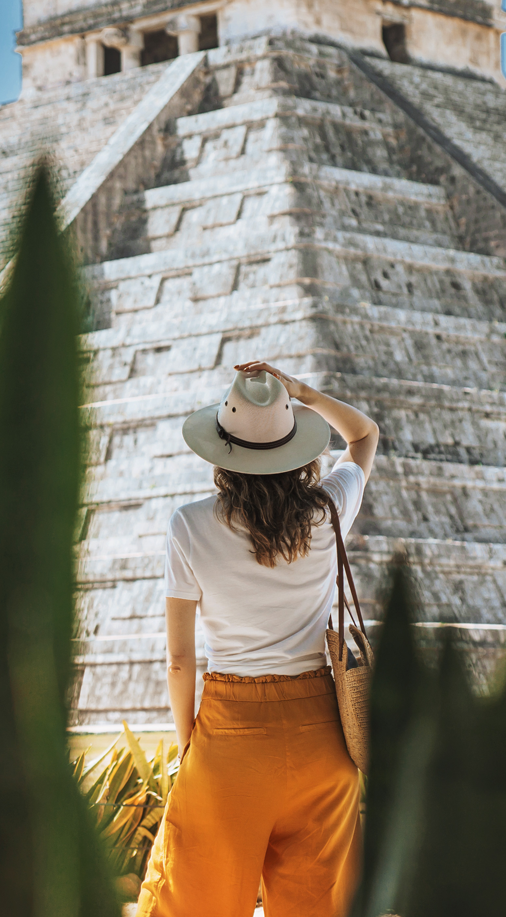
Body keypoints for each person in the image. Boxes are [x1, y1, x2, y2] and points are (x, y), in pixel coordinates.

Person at [136, 360, 379, 917]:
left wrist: (189, 744)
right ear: (297, 449)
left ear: (221, 452)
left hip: (229, 741)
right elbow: (364, 434)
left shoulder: (190, 526)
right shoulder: (329, 511)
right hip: (323, 740)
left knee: (194, 901)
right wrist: (300, 393)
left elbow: (180, 660)